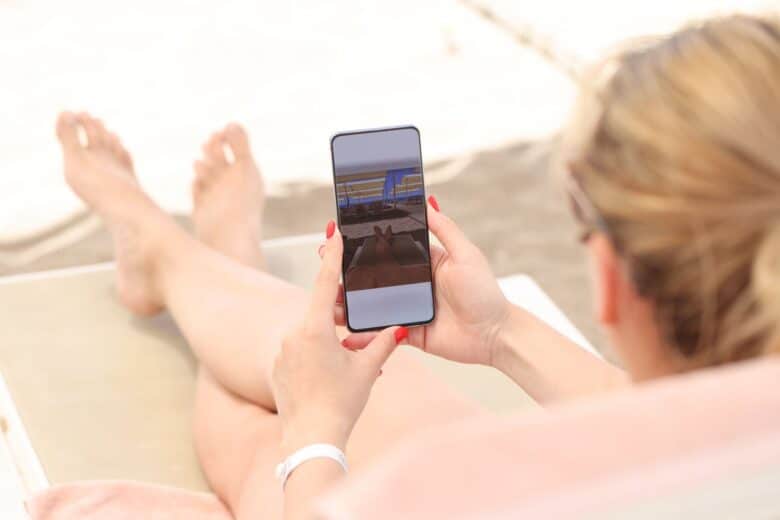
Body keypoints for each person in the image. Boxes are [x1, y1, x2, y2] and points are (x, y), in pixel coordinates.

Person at [53, 13, 780, 519]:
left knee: (275, 441)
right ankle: (194, 257)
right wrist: (500, 332)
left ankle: (179, 251)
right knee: (358, 375)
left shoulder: (441, 490)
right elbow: (681, 420)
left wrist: (314, 437)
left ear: (614, 282)